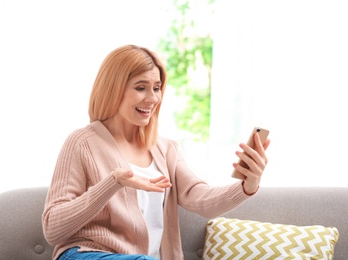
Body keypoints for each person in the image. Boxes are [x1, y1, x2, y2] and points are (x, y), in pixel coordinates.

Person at [42, 44, 270, 260]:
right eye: (140, 88)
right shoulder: (82, 143)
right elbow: (53, 228)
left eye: (157, 88)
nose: (152, 99)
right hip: (85, 254)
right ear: (113, 89)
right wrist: (114, 182)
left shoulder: (165, 149)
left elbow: (199, 196)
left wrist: (247, 186)